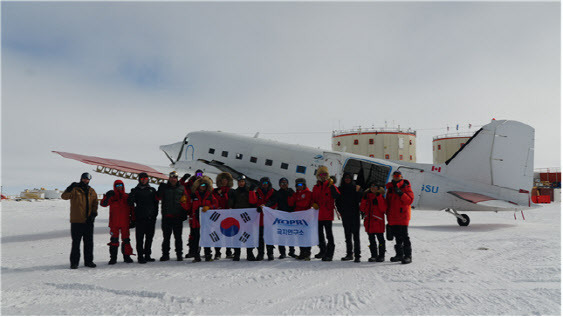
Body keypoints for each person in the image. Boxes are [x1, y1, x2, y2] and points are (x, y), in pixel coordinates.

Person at [61, 172, 99, 269]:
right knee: (76, 243)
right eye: (84, 178)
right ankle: (74, 263)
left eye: (88, 179)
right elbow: (64, 196)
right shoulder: (75, 189)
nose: (86, 180)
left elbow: (95, 203)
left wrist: (94, 214)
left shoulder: (92, 191)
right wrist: (70, 187)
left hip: (89, 222)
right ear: (81, 178)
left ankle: (89, 261)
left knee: (89, 243)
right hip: (77, 221)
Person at [100, 180, 135, 265]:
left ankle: (127, 257)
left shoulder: (127, 196)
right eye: (117, 185)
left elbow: (132, 209)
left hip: (125, 223)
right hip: (114, 223)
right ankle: (113, 258)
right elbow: (103, 204)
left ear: (123, 186)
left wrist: (133, 220)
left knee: (126, 240)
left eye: (120, 185)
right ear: (114, 187)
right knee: (114, 240)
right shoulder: (112, 196)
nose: (119, 186)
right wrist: (107, 196)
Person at [157, 171, 189, 262]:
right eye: (171, 177)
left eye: (174, 178)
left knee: (178, 237)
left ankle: (179, 254)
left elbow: (186, 201)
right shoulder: (164, 188)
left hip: (178, 217)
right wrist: (160, 189)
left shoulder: (182, 188)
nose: (173, 179)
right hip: (167, 216)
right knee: (166, 237)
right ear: (169, 178)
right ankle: (165, 255)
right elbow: (157, 197)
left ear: (177, 179)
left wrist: (185, 212)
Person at [128, 172, 159, 264]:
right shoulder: (136, 190)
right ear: (139, 180)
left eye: (145, 179)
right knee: (140, 239)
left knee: (149, 238)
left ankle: (148, 255)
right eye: (142, 179)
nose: (144, 180)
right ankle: (140, 256)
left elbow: (156, 204)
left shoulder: (152, 190)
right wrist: (131, 195)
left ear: (148, 179)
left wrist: (154, 215)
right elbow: (130, 203)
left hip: (150, 218)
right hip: (140, 218)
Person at [312, 166, 340, 261]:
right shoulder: (316, 187)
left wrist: (332, 187)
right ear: (318, 176)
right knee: (319, 235)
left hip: (327, 214)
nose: (323, 176)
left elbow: (337, 196)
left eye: (325, 174)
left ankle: (329, 253)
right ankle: (322, 250)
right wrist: (314, 204)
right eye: (321, 174)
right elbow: (313, 198)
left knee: (329, 235)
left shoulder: (331, 186)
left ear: (327, 176)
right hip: (318, 215)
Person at [386, 170, 415, 264]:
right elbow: (388, 202)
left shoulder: (405, 186)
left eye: (398, 175)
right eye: (395, 175)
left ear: (401, 177)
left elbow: (409, 200)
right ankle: (399, 255)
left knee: (404, 236)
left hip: (403, 216)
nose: (396, 177)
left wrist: (401, 193)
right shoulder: (390, 188)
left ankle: (408, 256)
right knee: (397, 236)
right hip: (393, 216)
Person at [336, 172, 363, 262]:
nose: (347, 179)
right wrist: (341, 212)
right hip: (345, 214)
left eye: (349, 178)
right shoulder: (340, 189)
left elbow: (361, 199)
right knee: (347, 235)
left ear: (352, 179)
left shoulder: (356, 188)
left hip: (355, 214)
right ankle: (349, 254)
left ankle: (357, 255)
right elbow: (337, 202)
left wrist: (359, 191)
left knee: (356, 236)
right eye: (346, 178)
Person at [189, 176, 218, 262]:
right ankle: (196, 255)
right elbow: (188, 207)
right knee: (196, 238)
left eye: (205, 185)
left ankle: (208, 255)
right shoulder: (193, 195)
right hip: (196, 220)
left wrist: (209, 207)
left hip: (206, 221)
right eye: (201, 185)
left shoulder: (210, 196)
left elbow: (216, 204)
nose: (203, 186)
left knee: (207, 238)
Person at [249, 177, 276, 261]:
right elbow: (253, 201)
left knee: (269, 237)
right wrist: (251, 191)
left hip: (269, 220)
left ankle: (270, 253)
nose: (265, 185)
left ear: (269, 184)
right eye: (263, 183)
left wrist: (266, 206)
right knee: (260, 238)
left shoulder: (273, 192)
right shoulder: (257, 193)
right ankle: (260, 253)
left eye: (266, 183)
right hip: (259, 220)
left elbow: (274, 203)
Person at [229, 175, 255, 261]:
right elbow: (231, 205)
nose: (241, 183)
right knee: (237, 235)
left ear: (245, 182)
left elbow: (253, 202)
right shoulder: (235, 192)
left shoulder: (249, 191)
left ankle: (250, 253)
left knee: (248, 235)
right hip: (237, 217)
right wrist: (230, 198)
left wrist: (252, 192)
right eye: (239, 182)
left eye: (242, 181)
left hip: (247, 217)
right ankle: (237, 254)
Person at [360, 182, 387, 262]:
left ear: (378, 188)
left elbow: (383, 209)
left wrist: (378, 198)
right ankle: (374, 255)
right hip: (369, 222)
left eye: (375, 186)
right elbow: (362, 208)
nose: (373, 188)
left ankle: (381, 256)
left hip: (378, 222)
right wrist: (364, 199)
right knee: (371, 240)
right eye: (372, 186)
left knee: (380, 240)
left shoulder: (381, 197)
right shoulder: (367, 196)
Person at [289, 178, 313, 260]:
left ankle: (307, 253)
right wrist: (292, 196)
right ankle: (302, 253)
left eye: (300, 185)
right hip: (298, 218)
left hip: (306, 218)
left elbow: (304, 204)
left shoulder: (309, 193)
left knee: (306, 236)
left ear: (304, 185)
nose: (299, 186)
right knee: (300, 236)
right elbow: (290, 203)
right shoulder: (296, 194)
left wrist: (297, 201)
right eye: (297, 185)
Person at [212, 172, 235, 259]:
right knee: (217, 235)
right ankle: (217, 252)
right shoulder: (214, 191)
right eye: (222, 180)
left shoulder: (232, 191)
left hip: (228, 216)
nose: (224, 181)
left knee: (228, 234)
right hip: (218, 217)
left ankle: (228, 252)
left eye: (226, 180)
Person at [181, 170, 203, 259]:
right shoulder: (190, 183)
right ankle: (191, 251)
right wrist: (183, 178)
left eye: (201, 174)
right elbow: (181, 185)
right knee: (193, 233)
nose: (199, 176)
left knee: (200, 234)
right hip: (192, 210)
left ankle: (199, 251)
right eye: (197, 174)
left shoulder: (204, 183)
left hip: (202, 212)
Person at [272, 177, 295, 259]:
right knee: (281, 235)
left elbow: (296, 202)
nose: (284, 185)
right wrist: (266, 207)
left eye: (285, 183)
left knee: (291, 234)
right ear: (279, 185)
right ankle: (282, 252)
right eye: (282, 183)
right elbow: (273, 202)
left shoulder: (291, 191)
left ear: (288, 184)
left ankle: (292, 251)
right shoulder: (277, 193)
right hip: (281, 216)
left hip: (290, 216)